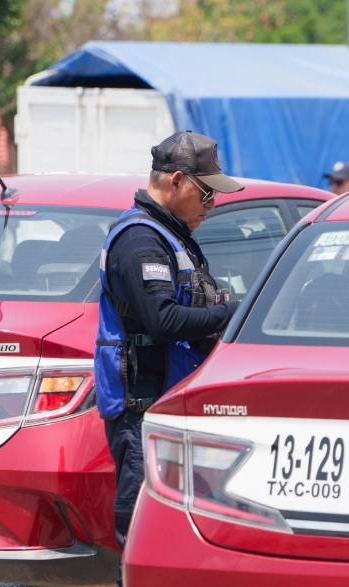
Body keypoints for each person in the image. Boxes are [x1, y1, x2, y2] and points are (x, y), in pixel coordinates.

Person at [94, 131, 242, 551]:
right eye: (206, 193)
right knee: (145, 530)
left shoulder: (169, 234)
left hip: (171, 402)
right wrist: (237, 313)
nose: (211, 206)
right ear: (177, 181)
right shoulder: (141, 240)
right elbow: (163, 319)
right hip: (143, 406)